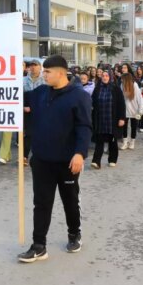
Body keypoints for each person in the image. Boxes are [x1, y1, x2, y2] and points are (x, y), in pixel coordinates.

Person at [18, 55, 91, 263]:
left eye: (47, 72)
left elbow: (84, 127)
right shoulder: (40, 93)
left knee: (70, 199)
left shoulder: (79, 96)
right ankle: (39, 245)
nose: (43, 75)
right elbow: (16, 98)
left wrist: (80, 153)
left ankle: (74, 233)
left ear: (60, 73)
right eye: (43, 71)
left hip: (67, 160)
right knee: (41, 202)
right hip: (41, 160)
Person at [91, 70, 126, 168]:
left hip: (112, 119)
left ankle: (112, 159)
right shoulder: (97, 88)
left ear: (110, 77)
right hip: (101, 119)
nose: (105, 77)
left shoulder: (115, 88)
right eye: (103, 76)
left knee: (112, 140)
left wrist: (121, 118)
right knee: (99, 140)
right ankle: (96, 161)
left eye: (106, 76)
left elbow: (121, 104)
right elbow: (92, 102)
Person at [119, 72, 143, 150]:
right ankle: (125, 142)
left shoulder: (135, 85)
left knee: (134, 126)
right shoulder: (122, 85)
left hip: (134, 109)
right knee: (124, 126)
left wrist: (140, 110)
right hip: (125, 109)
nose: (121, 80)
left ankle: (132, 142)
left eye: (123, 79)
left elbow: (139, 98)